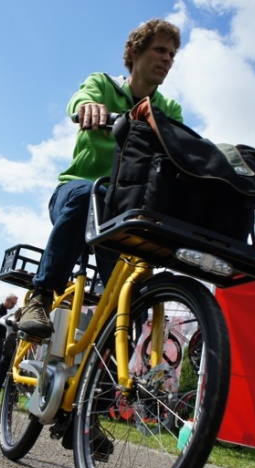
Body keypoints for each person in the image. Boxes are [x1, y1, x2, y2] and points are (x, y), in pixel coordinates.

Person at [18, 19, 183, 340]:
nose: (167, 59)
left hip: (124, 214)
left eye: (172, 54)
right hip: (77, 193)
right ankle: (41, 295)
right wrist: (89, 106)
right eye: (160, 50)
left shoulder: (167, 108)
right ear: (135, 52)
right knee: (90, 194)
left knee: (125, 304)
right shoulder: (104, 85)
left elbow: (179, 146)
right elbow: (79, 101)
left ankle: (112, 371)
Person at [0, 307, 22, 407]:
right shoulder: (24, 326)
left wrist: (10, 315)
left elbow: (0, 320)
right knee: (15, 379)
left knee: (0, 378)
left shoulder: (9, 323)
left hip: (6, 353)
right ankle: (14, 403)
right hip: (17, 356)